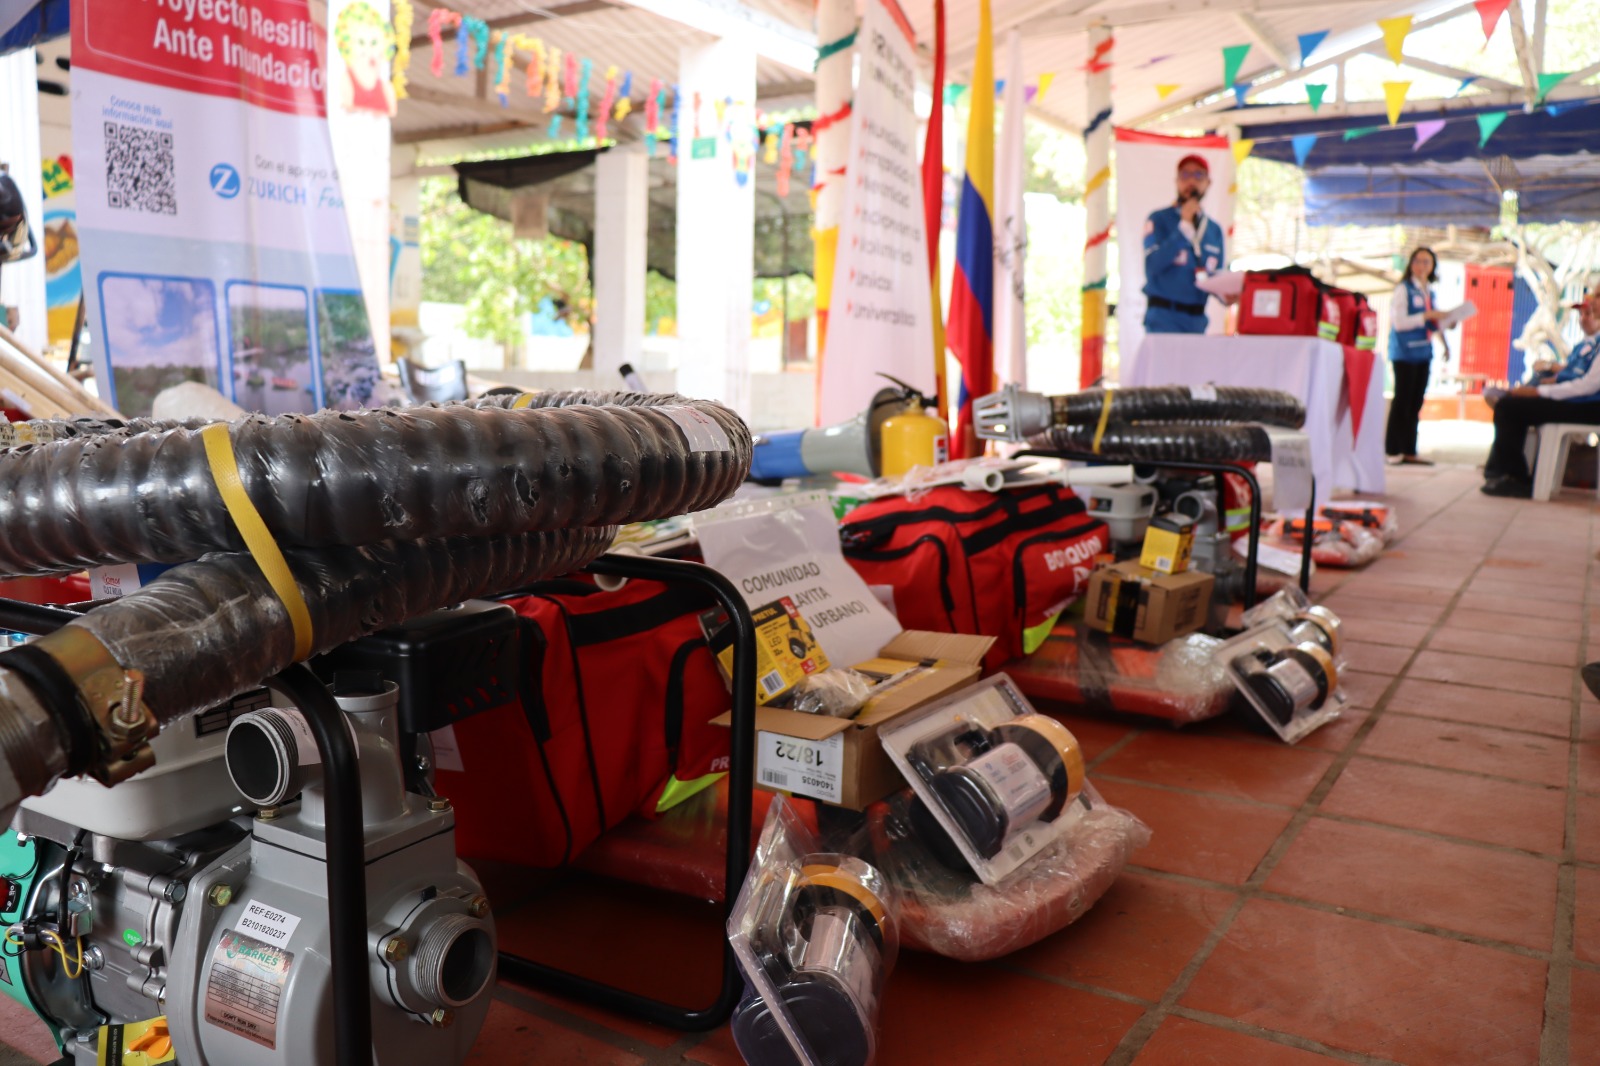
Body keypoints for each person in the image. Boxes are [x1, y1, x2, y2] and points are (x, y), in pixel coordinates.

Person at [1481, 295, 1600, 497]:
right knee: (1511, 403)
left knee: (1510, 408)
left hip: (1590, 406)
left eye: (1597, 296)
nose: (1591, 301)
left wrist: (1539, 392)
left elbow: (1588, 386)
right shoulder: (1591, 342)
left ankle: (1515, 478)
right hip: (1580, 400)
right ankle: (1502, 472)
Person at [1142, 155, 1227, 335]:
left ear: (1208, 183)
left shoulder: (1214, 230)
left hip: (1197, 322)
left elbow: (1214, 275)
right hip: (1163, 320)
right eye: (1185, 175)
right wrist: (1184, 228)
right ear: (1177, 181)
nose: (1191, 181)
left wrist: (1226, 294)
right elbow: (1152, 266)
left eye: (1198, 176)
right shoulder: (1158, 219)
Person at [1384, 247, 1450, 465]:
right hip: (1404, 352)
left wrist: (1445, 340)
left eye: (1427, 262)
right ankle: (1393, 450)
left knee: (1415, 403)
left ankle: (1409, 450)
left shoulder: (1428, 291)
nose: (1422, 266)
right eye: (1419, 261)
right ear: (1411, 263)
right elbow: (1400, 322)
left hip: (1424, 352)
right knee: (1402, 400)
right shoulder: (1404, 289)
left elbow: (1433, 323)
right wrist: (1426, 315)